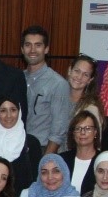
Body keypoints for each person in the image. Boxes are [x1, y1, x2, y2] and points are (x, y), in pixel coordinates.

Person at [21, 25, 72, 154]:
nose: (32, 50)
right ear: (22, 49)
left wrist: (46, 160)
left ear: (46, 49)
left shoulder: (58, 83)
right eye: (28, 45)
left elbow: (58, 130)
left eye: (38, 45)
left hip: (42, 149)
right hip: (17, 148)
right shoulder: (17, 78)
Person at [0, 95, 41, 192]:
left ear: (19, 111)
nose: (9, 115)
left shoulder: (32, 143)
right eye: (3, 110)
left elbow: (37, 180)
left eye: (13, 110)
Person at [62, 54, 104, 151]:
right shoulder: (56, 99)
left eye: (85, 75)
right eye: (77, 71)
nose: (79, 77)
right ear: (69, 70)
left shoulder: (91, 109)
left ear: (90, 80)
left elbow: (96, 143)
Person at [60, 109, 103, 194]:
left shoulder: (102, 160)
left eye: (87, 128)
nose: (82, 132)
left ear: (95, 132)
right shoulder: (62, 159)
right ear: (73, 133)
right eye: (78, 128)